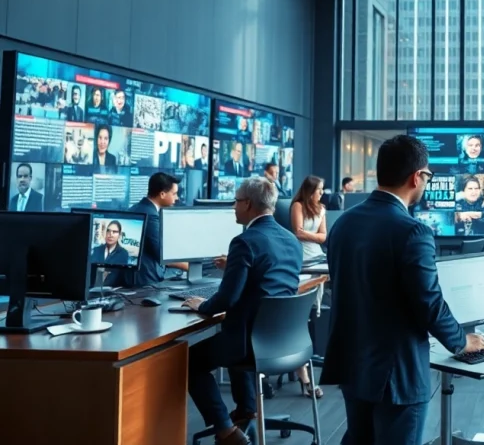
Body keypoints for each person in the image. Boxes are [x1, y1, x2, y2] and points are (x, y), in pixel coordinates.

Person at [320, 135, 484, 445]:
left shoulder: (343, 224)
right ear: (417, 177)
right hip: (396, 374)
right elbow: (429, 303)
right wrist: (460, 341)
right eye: (428, 176)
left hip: (352, 363)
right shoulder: (412, 231)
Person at [183, 177, 302, 445]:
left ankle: (226, 430)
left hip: (249, 344)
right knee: (236, 331)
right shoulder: (291, 240)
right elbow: (267, 281)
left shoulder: (244, 241)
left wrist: (201, 304)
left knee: (189, 361)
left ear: (248, 204)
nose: (233, 207)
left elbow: (227, 298)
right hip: (285, 342)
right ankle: (247, 410)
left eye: (235, 201)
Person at [110, 172, 189, 288]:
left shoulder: (137, 208)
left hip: (133, 279)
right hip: (146, 283)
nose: (177, 198)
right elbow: (161, 253)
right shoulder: (150, 215)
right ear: (162, 194)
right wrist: (189, 266)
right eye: (174, 194)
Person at [288, 175, 327, 398]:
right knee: (299, 317)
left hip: (318, 260)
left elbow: (323, 237)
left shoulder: (320, 208)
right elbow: (297, 232)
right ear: (309, 190)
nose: (321, 193)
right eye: (319, 189)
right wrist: (315, 236)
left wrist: (310, 235)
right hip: (301, 261)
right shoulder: (298, 205)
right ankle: (304, 375)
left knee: (309, 314)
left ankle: (303, 361)